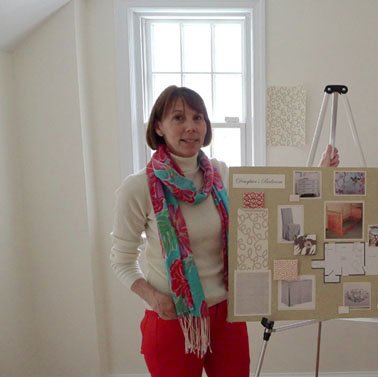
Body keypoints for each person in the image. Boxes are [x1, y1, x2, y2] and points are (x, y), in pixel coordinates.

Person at [110, 85, 339, 377]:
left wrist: (318, 174)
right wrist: (154, 298)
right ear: (158, 126)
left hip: (226, 314)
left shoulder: (221, 174)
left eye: (198, 118)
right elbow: (121, 258)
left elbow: (273, 203)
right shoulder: (138, 186)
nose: (191, 127)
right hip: (173, 318)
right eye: (178, 118)